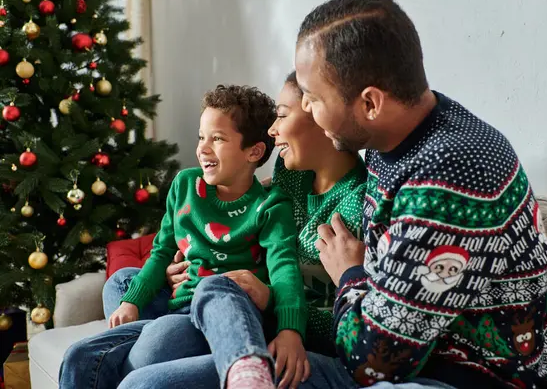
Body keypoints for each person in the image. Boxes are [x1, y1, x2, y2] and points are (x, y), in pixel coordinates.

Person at [292, 0, 547, 388]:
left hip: (474, 377)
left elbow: (373, 362)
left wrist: (349, 273)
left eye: (314, 96)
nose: (304, 107)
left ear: (371, 102)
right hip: (412, 359)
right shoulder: (397, 137)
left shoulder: (449, 178)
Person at [60, 73, 369, 389]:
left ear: (322, 115)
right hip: (202, 291)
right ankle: (161, 335)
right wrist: (173, 271)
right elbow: (175, 240)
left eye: (282, 116)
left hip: (244, 305)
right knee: (120, 285)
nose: (274, 131)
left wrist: (276, 309)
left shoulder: (355, 207)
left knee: (188, 314)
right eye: (201, 137)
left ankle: (210, 351)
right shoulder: (291, 173)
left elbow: (286, 268)